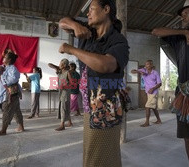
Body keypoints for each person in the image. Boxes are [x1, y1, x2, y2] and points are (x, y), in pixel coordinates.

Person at [58, 0, 129, 166]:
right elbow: (62, 21)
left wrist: (71, 49)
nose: (88, 14)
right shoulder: (88, 31)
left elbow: (106, 65)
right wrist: (75, 26)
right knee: (91, 152)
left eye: (91, 9)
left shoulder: (118, 40)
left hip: (106, 108)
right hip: (90, 106)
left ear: (106, 9)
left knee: (100, 157)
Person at [152, 0, 189, 166]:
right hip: (183, 93)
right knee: (187, 137)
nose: (183, 16)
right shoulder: (178, 37)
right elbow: (156, 31)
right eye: (182, 14)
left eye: (187, 13)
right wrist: (185, 33)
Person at [0, 51, 24, 136]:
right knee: (16, 110)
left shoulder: (13, 69)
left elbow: (12, 80)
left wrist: (2, 75)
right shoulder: (2, 67)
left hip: (10, 93)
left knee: (6, 109)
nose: (3, 58)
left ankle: (3, 130)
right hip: (3, 92)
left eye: (5, 57)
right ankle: (21, 126)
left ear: (9, 60)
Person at [131, 60, 162, 127]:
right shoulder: (144, 70)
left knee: (147, 106)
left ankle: (147, 122)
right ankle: (159, 120)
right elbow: (132, 71)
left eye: (148, 64)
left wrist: (153, 88)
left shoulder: (155, 73)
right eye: (146, 64)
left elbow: (160, 83)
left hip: (153, 92)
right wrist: (139, 72)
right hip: (148, 92)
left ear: (151, 65)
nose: (146, 65)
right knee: (153, 107)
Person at [48, 59, 73, 131]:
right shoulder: (60, 72)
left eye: (60, 63)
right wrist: (57, 67)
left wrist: (64, 87)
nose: (59, 64)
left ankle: (62, 125)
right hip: (61, 92)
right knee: (66, 107)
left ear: (64, 65)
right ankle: (70, 122)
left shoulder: (68, 73)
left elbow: (72, 84)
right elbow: (49, 64)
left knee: (63, 107)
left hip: (66, 92)